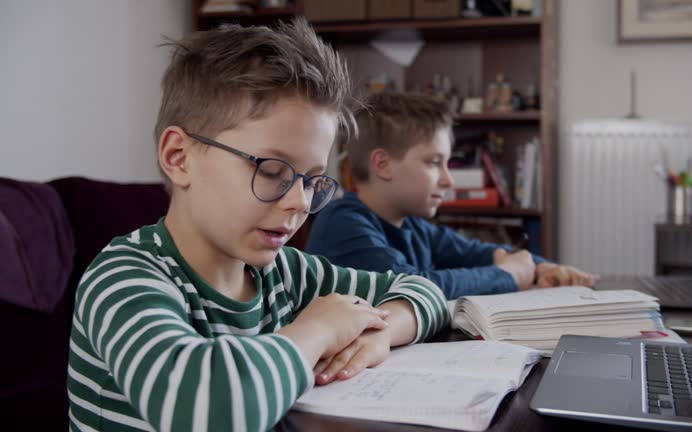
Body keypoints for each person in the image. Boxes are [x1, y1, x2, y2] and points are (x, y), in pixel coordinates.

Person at [67, 21, 448, 432]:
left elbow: (424, 292)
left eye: (311, 179)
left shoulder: (287, 272)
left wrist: (378, 334)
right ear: (179, 157)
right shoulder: (123, 278)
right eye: (271, 170)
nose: (301, 202)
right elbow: (209, 409)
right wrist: (317, 329)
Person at [305, 93, 595, 300]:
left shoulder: (411, 225)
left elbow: (476, 252)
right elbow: (412, 288)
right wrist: (508, 275)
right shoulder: (342, 224)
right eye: (434, 162)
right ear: (383, 164)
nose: (448, 179)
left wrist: (540, 266)